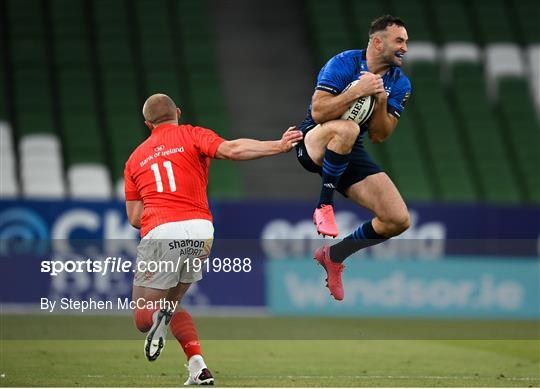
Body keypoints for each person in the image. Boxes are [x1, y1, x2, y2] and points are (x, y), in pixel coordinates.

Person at [124, 93, 302, 385]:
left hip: (161, 230)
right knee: (171, 303)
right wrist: (278, 145)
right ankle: (198, 366)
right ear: (177, 112)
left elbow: (134, 217)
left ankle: (158, 318)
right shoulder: (193, 134)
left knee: (144, 319)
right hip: (200, 231)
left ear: (147, 123)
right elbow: (233, 149)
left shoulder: (134, 159)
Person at [295, 15, 412, 300]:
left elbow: (379, 136)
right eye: (399, 41)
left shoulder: (400, 83)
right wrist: (357, 92)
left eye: (406, 42)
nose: (405, 48)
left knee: (397, 219)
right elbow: (319, 113)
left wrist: (382, 100)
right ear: (377, 42)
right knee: (347, 128)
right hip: (315, 139)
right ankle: (324, 206)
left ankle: (335, 255)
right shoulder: (344, 63)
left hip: (349, 146)